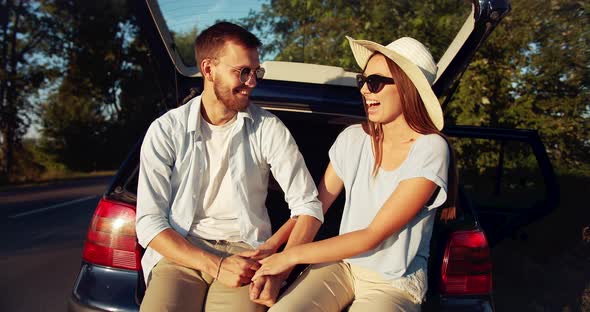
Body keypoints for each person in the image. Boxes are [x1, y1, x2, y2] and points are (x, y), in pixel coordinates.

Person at [251, 35, 457, 311]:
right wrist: (275, 256)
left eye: (374, 83)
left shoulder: (431, 148)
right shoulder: (352, 138)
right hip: (342, 266)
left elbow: (373, 235)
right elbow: (313, 210)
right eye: (363, 81)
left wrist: (290, 258)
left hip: (393, 282)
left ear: (407, 88)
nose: (364, 91)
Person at [135, 22, 324, 312]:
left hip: (246, 253)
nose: (253, 82)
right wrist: (217, 264)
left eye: (256, 72)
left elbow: (308, 207)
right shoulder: (165, 131)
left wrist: (277, 265)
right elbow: (149, 222)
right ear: (209, 70)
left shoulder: (269, 128)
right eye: (243, 72)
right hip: (182, 250)